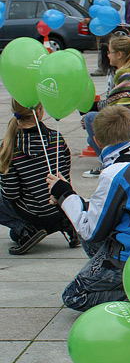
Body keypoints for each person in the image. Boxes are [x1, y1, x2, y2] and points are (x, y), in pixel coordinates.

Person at [48, 105, 130, 311]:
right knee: (87, 216)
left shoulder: (113, 173)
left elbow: (90, 231)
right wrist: (70, 200)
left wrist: (64, 194)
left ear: (97, 141)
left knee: (74, 296)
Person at [0, 100, 76, 255]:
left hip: (34, 213)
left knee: (16, 231)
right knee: (14, 236)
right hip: (61, 206)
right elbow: (65, 177)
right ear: (40, 112)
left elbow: (11, 193)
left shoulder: (9, 147)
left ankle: (26, 229)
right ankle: (65, 223)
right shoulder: (56, 138)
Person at [82, 36, 130, 178]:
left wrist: (92, 108)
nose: (107, 55)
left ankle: (108, 162)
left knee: (90, 119)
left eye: (110, 52)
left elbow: (117, 108)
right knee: (91, 138)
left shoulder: (127, 75)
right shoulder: (129, 73)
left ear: (119, 55)